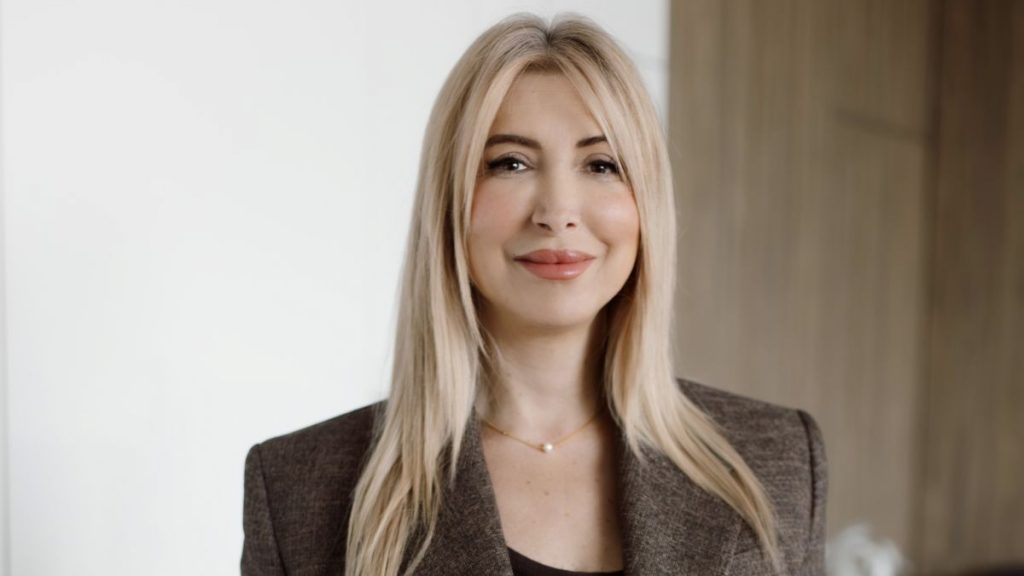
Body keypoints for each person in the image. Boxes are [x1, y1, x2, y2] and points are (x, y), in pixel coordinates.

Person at [241, 13, 826, 576]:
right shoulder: (300, 488)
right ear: (450, 202)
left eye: (601, 165)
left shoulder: (774, 459)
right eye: (512, 163)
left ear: (646, 203)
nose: (557, 212)